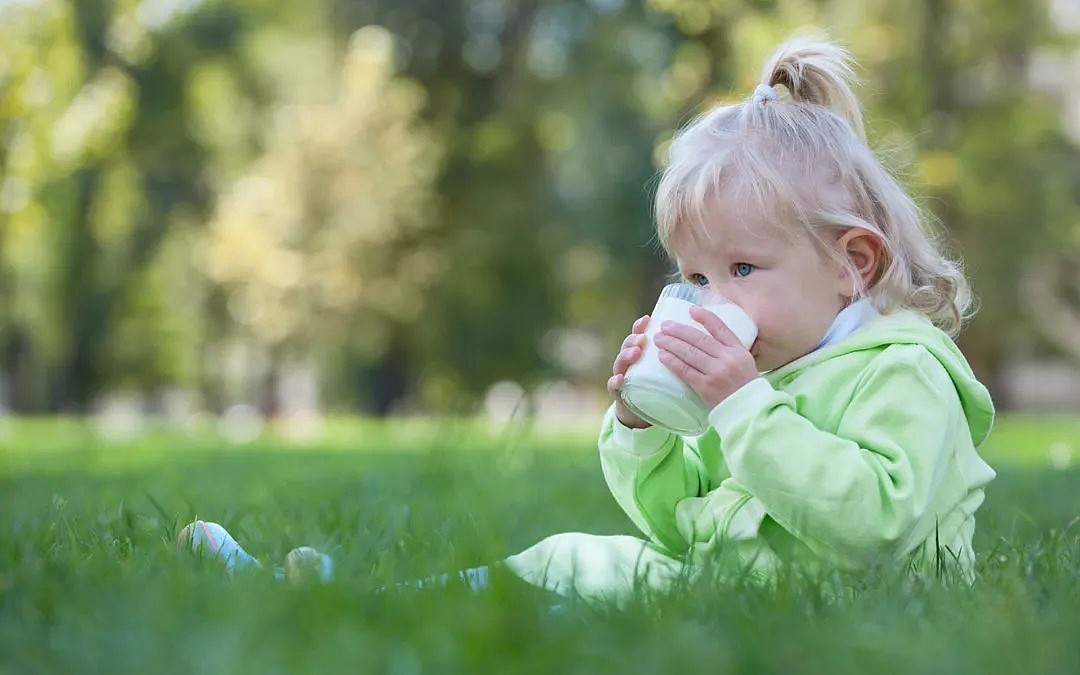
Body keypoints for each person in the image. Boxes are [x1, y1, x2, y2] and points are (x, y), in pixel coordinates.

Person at [181, 34, 996, 604]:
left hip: (842, 620)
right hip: (727, 593)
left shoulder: (904, 372)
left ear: (854, 262)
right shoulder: (766, 375)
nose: (715, 299)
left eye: (743, 269)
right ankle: (354, 597)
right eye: (696, 276)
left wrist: (744, 407)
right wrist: (645, 426)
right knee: (566, 559)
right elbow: (685, 530)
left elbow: (878, 527)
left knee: (579, 577)